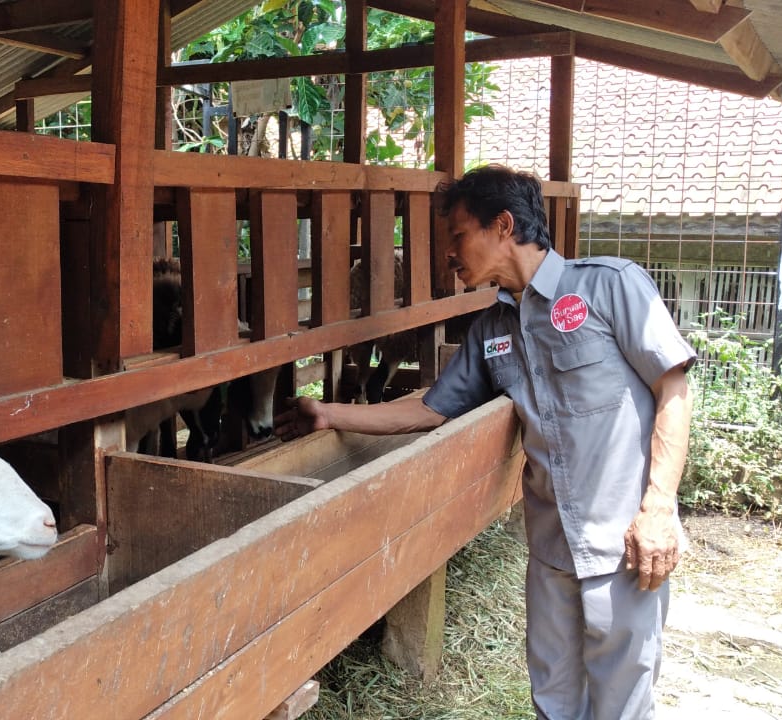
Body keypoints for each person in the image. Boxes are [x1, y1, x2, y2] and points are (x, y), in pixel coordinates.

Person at [273, 164, 695, 720]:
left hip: (622, 544)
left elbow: (674, 388)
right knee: (553, 699)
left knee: (621, 705)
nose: (449, 252)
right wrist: (328, 414)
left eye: (457, 235)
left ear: (502, 226)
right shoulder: (492, 330)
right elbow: (427, 410)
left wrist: (659, 508)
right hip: (549, 550)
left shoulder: (609, 286)